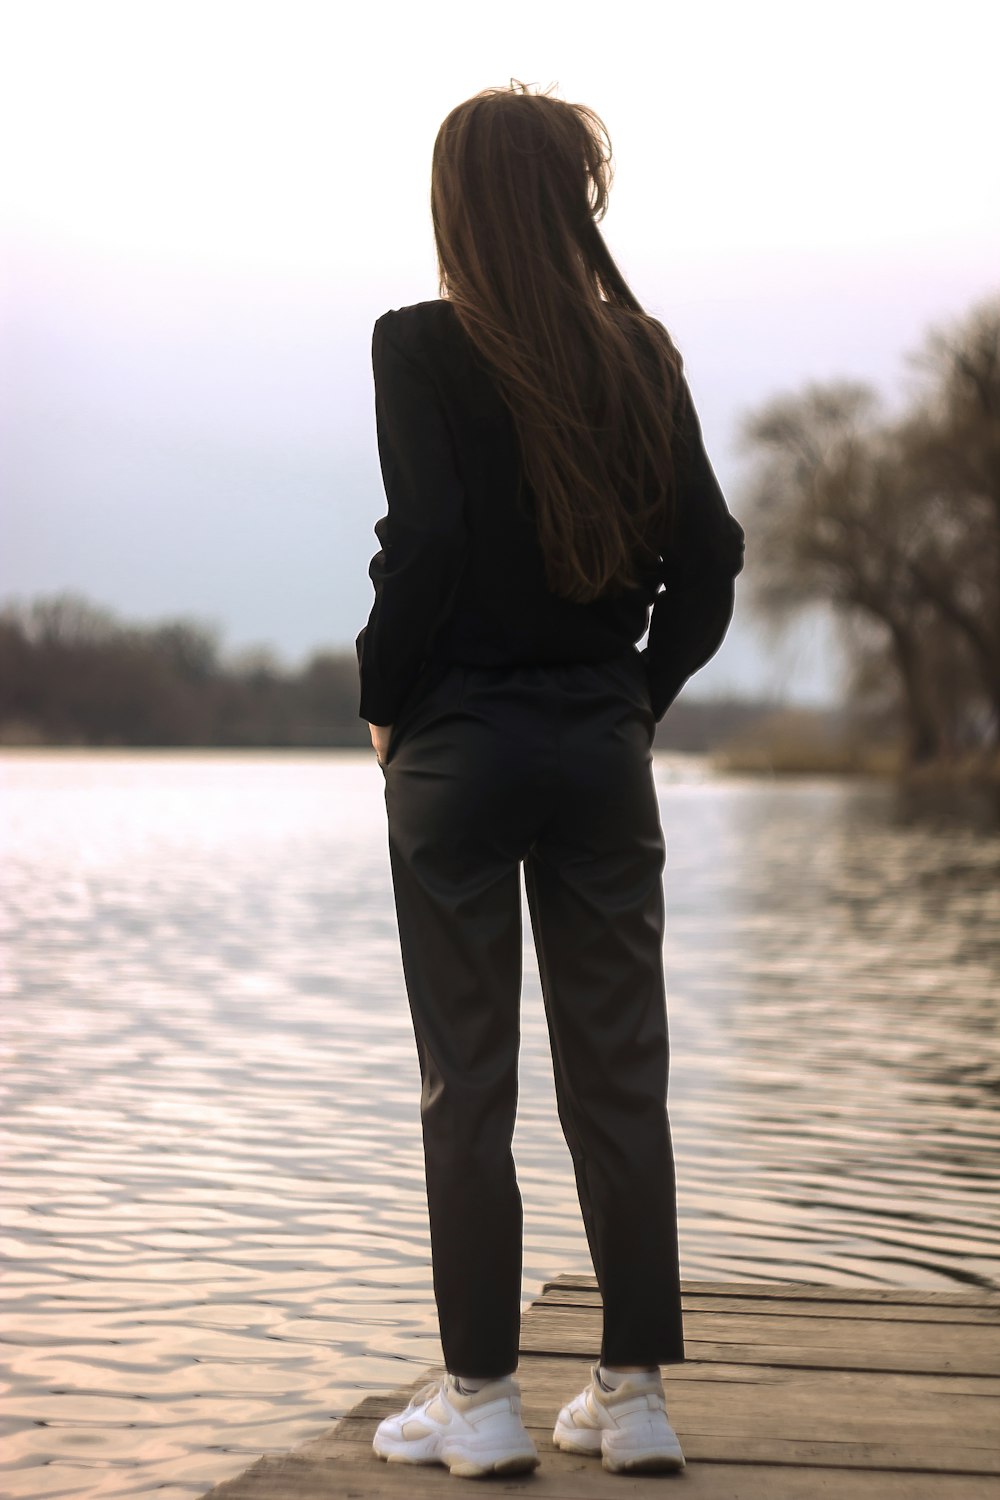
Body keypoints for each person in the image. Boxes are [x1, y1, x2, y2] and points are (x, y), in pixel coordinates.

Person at [356, 80, 745, 1480]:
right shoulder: (639, 354)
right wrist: (628, 702)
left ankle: (483, 1406)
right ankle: (633, 1398)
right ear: (573, 200)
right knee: (619, 1085)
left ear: (457, 204)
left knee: (469, 1087)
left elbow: (434, 548)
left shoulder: (418, 345)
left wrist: (384, 703)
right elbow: (710, 564)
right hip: (597, 754)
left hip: (459, 755)